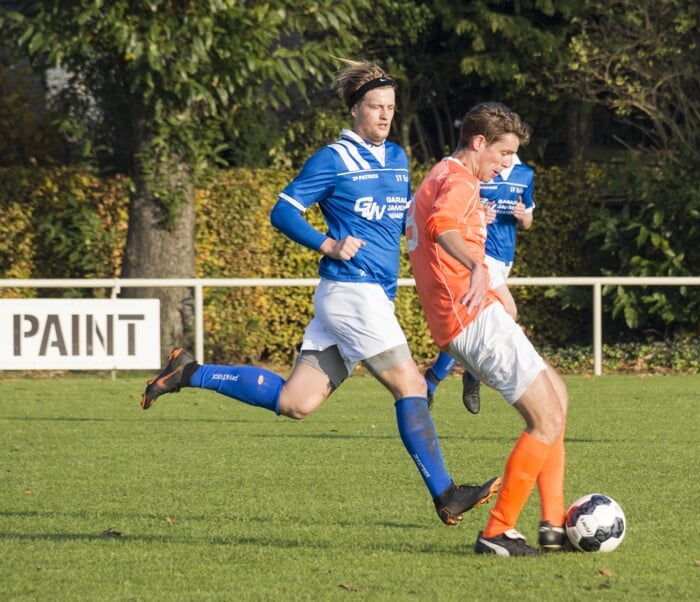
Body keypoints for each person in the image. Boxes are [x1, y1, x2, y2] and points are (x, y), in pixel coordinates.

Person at [140, 59, 500, 525]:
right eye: (376, 107)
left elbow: (400, 217)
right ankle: (446, 494)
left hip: (361, 297)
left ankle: (189, 372)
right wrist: (328, 242)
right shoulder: (333, 160)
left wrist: (468, 220)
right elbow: (283, 211)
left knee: (296, 402)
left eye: (390, 107)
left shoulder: (396, 158)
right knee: (412, 385)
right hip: (354, 294)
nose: (385, 116)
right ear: (354, 110)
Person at [407, 101, 569, 556]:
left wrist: (494, 287)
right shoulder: (457, 179)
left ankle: (553, 526)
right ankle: (497, 533)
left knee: (557, 398)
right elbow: (442, 226)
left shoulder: (445, 173)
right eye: (503, 154)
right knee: (546, 418)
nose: (506, 165)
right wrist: (477, 267)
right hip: (470, 319)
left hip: (477, 314)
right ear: (479, 143)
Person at [423, 154, 536, 414]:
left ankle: (438, 381)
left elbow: (528, 220)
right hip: (481, 255)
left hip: (505, 258)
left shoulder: (525, 174)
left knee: (472, 321)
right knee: (507, 311)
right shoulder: (477, 172)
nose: (504, 158)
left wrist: (522, 217)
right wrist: (479, 216)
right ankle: (460, 378)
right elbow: (455, 217)